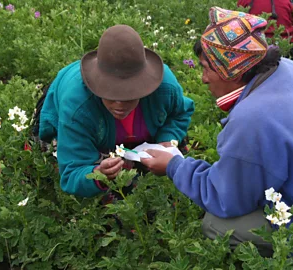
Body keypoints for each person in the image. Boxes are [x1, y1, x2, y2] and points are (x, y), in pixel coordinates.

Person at [141, 7, 293, 270]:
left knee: (215, 225)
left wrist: (174, 166)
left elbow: (226, 199)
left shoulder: (251, 117)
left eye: (206, 68)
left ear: (230, 70)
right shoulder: (288, 70)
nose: (203, 79)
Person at [37, 25, 194, 198]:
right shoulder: (77, 107)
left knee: (177, 155)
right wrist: (98, 174)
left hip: (128, 138)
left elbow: (180, 113)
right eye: (110, 93)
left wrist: (166, 141)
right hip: (69, 115)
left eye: (128, 94)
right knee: (111, 195)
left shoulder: (164, 87)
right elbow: (71, 173)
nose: (119, 104)